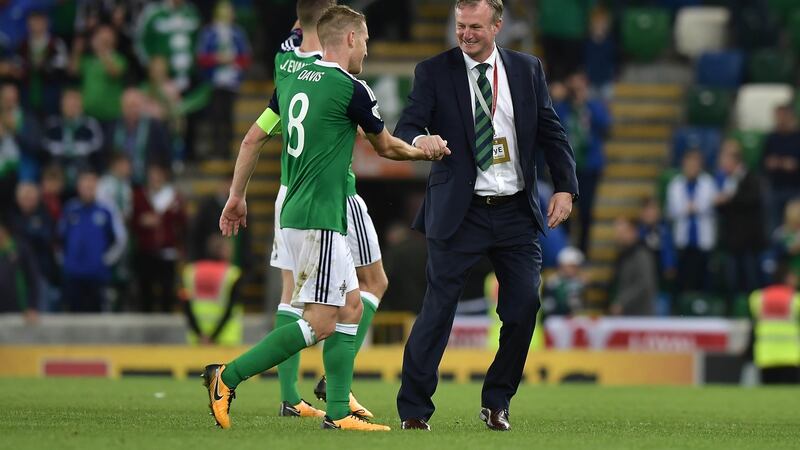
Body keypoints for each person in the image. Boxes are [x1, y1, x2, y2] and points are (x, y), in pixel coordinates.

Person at [205, 5, 445, 431]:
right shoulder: (351, 89)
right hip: (320, 217)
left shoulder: (291, 74)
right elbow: (387, 148)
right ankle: (229, 376)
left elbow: (253, 137)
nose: (368, 50)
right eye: (366, 40)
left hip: (295, 208)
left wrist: (236, 196)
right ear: (350, 39)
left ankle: (337, 411)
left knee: (351, 304)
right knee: (320, 319)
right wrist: (424, 151)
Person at [393, 0, 578, 431]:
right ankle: (414, 409)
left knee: (524, 306)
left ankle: (497, 400)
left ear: (497, 26)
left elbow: (552, 132)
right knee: (438, 310)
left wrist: (566, 188)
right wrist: (423, 139)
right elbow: (406, 127)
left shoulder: (527, 68)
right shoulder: (433, 71)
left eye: (475, 26)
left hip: (515, 210)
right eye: (460, 26)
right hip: (460, 211)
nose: (466, 34)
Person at [268, 0, 393, 420]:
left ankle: (290, 395)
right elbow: (383, 142)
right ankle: (332, 384)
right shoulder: (338, 79)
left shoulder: (286, 62)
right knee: (368, 285)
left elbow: (259, 133)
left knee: (294, 295)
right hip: (331, 190)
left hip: (289, 187)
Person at [59, 168, 126, 312]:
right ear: (78, 187)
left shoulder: (107, 210)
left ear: (97, 187)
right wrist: (66, 261)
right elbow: (59, 239)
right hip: (73, 275)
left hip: (97, 275)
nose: (87, 189)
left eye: (91, 186)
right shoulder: (70, 209)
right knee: (74, 317)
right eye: (84, 186)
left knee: (97, 317)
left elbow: (120, 240)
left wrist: (105, 260)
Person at [196, 0, 252, 160]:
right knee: (215, 115)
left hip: (232, 82)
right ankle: (216, 148)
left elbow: (245, 58)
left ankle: (226, 149)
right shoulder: (209, 32)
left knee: (227, 115)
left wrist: (232, 61)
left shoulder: (237, 33)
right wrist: (217, 59)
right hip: (214, 82)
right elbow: (202, 58)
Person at [715, 140, 767, 308]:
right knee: (732, 282)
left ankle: (753, 318)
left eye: (725, 161)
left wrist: (728, 200)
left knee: (751, 282)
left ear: (734, 161)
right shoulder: (726, 180)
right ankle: (734, 314)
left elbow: (751, 201)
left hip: (748, 242)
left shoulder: (751, 178)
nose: (722, 165)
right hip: (732, 241)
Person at [131, 162, 186, 313]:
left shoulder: (173, 197)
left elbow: (182, 222)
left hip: (167, 250)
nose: (155, 179)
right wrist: (142, 221)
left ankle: (165, 316)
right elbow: (133, 221)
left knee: (167, 288)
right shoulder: (140, 195)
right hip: (146, 249)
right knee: (146, 288)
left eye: (158, 175)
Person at [666, 149, 717, 294]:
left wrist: (692, 208)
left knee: (703, 281)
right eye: (689, 164)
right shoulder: (675, 184)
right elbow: (673, 210)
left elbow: (709, 206)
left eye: (695, 164)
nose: (692, 167)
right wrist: (689, 208)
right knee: (683, 282)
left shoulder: (708, 182)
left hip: (703, 242)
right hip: (683, 242)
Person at [182, 235, 243, 346]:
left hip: (197, 339)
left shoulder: (191, 271)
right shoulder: (232, 274)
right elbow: (230, 307)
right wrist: (213, 336)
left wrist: (200, 335)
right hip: (226, 338)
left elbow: (186, 306)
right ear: (222, 251)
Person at [41, 88, 104, 195]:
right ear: (61, 105)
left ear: (81, 106)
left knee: (84, 169)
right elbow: (44, 146)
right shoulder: (52, 124)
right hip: (58, 169)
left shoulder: (90, 125)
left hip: (82, 168)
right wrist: (64, 150)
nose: (71, 107)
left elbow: (98, 147)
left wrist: (77, 150)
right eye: (68, 103)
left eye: (74, 104)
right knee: (52, 173)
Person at [747, 263, 800, 384]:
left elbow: (755, 321)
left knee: (768, 394)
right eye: (793, 276)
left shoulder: (759, 297)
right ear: (786, 278)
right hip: (790, 356)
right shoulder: (795, 299)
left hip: (766, 355)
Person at [16, 10, 68, 119]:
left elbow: (62, 65)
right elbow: (18, 65)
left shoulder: (56, 43)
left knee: (50, 122)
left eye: (40, 22)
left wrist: (45, 65)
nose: (36, 25)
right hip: (28, 92)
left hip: (50, 92)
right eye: (33, 22)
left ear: (46, 23)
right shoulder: (23, 44)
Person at [762, 104, 800, 231]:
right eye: (778, 116)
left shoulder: (797, 138)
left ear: (790, 117)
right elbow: (762, 162)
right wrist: (769, 163)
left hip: (795, 188)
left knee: (794, 226)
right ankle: (776, 249)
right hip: (775, 188)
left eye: (783, 116)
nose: (780, 119)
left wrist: (794, 165)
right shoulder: (771, 138)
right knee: (774, 227)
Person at [609, 217, 657, 316]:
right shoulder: (623, 255)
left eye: (622, 232)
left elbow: (644, 284)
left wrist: (622, 302)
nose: (618, 236)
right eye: (617, 232)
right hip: (627, 314)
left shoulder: (641, 255)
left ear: (632, 232)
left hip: (640, 315)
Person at [0, 216, 39, 322]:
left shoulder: (21, 248)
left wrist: (32, 307)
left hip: (19, 310)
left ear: (4, 230)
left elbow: (33, 279)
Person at [541, 246, 586, 316]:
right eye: (571, 266)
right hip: (555, 319)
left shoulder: (579, 282)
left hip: (573, 318)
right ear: (562, 265)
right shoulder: (553, 282)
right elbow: (548, 306)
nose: (574, 269)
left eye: (575, 266)